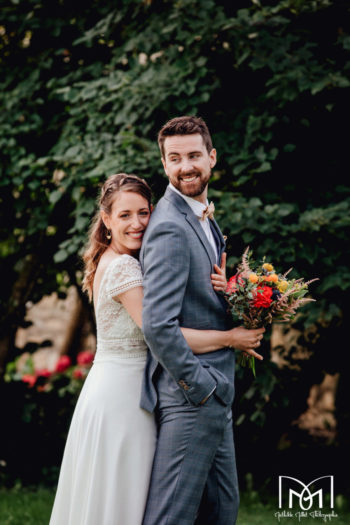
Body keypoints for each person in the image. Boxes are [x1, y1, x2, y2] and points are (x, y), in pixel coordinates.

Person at [49, 173, 263, 525]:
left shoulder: (112, 259)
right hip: (124, 397)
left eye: (143, 213)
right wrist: (230, 338)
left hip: (119, 387)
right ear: (106, 220)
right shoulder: (123, 268)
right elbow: (162, 333)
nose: (137, 224)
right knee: (123, 497)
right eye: (124, 215)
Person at [140, 116, 265, 525]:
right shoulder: (170, 228)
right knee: (172, 516)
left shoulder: (204, 217)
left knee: (221, 511)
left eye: (194, 155)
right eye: (174, 158)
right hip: (193, 395)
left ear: (211, 158)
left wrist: (232, 292)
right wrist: (202, 387)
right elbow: (158, 326)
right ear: (164, 165)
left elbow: (195, 298)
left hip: (216, 393)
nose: (185, 166)